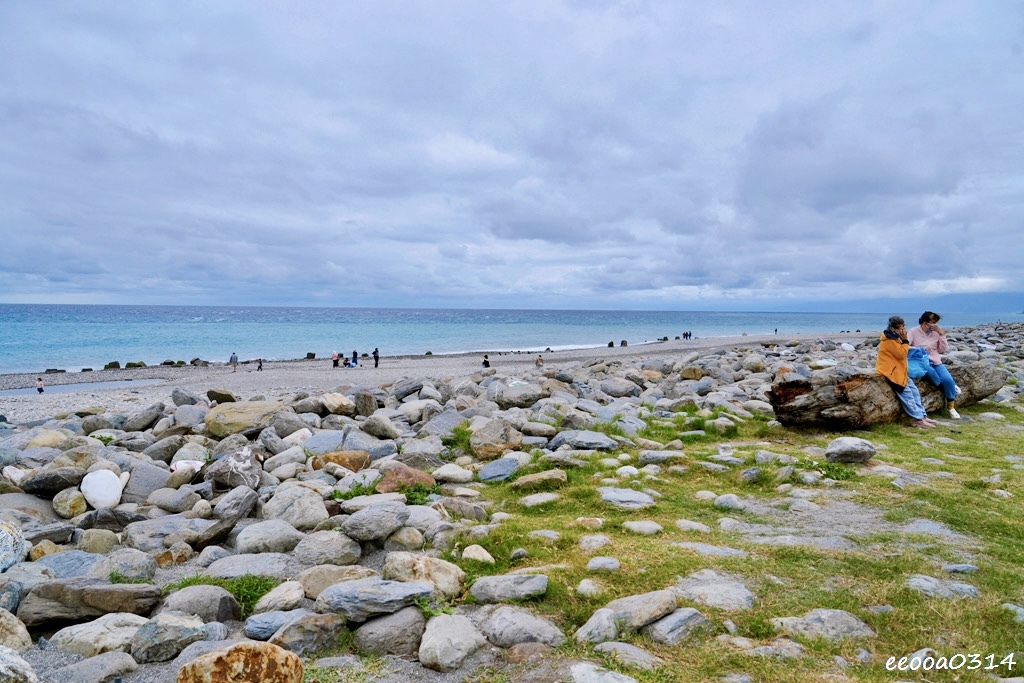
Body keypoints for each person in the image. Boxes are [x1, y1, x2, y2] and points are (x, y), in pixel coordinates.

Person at [876, 315, 935, 429]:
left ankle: (922, 415)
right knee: (907, 395)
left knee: (915, 392)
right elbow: (901, 354)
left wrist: (903, 341)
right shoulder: (889, 340)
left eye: (903, 327)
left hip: (900, 372)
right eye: (900, 328)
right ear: (893, 328)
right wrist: (905, 340)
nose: (902, 330)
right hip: (891, 373)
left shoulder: (894, 338)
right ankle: (917, 419)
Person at [907, 311, 961, 419]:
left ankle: (951, 406)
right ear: (924, 322)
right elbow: (905, 346)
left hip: (935, 360)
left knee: (948, 379)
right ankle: (948, 389)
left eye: (935, 323)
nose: (933, 326)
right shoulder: (913, 332)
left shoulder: (936, 332)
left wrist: (941, 334)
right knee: (933, 375)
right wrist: (918, 350)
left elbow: (942, 349)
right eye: (931, 323)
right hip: (920, 361)